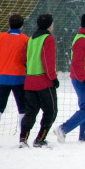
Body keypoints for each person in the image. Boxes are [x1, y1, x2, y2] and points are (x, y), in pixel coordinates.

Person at [0, 14, 29, 148]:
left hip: (3, 77)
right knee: (22, 109)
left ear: (9, 24)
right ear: (22, 25)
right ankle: (22, 140)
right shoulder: (26, 39)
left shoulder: (0, 37)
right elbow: (28, 59)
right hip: (19, 77)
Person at [53, 13, 85, 144]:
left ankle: (83, 137)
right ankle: (62, 129)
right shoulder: (82, 40)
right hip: (82, 79)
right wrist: (84, 80)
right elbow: (77, 62)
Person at [19, 14, 59, 148]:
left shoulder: (31, 39)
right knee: (51, 111)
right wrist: (53, 78)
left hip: (30, 81)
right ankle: (40, 139)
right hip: (44, 81)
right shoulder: (48, 39)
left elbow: (23, 58)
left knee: (31, 111)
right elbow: (48, 62)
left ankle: (23, 139)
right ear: (49, 24)